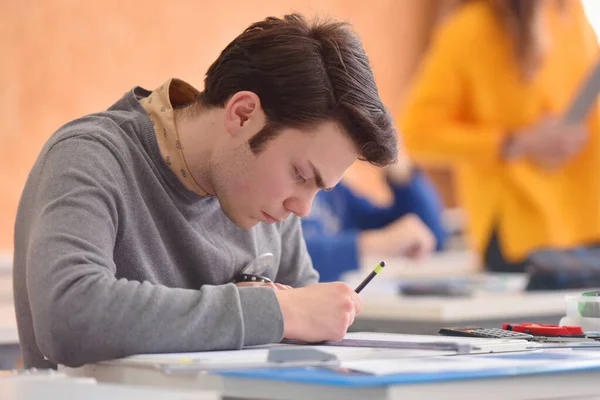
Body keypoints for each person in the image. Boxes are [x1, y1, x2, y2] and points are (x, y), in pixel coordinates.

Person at [13, 14, 399, 369]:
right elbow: (67, 317)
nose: (301, 207)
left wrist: (292, 313)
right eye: (300, 173)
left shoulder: (267, 202)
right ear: (243, 114)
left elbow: (303, 333)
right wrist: (270, 310)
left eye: (320, 188)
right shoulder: (89, 157)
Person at [401, 0, 600, 272]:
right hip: (521, 236)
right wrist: (516, 143)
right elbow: (417, 134)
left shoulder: (571, 13)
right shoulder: (471, 29)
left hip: (586, 226)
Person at [302, 155, 446, 282]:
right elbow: (285, 257)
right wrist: (377, 243)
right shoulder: (294, 174)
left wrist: (400, 170)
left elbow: (430, 236)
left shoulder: (334, 189)